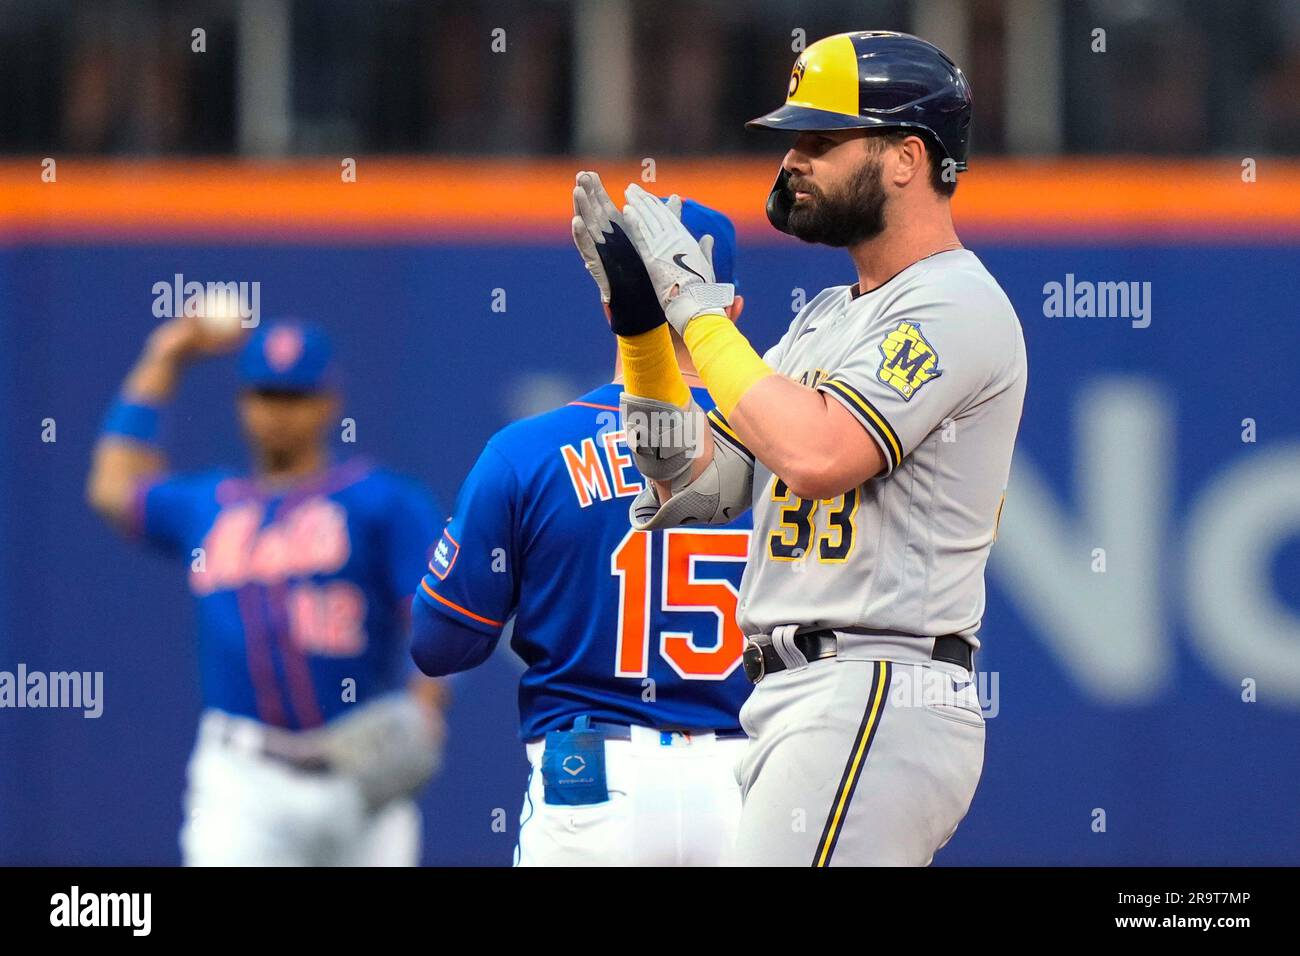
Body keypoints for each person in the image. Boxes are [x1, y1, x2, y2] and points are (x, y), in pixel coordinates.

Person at [578, 31, 1028, 866]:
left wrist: (697, 313)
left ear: (906, 158)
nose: (793, 160)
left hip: (877, 682)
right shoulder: (829, 315)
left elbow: (819, 456)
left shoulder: (956, 304)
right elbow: (698, 482)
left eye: (821, 141)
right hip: (806, 696)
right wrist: (645, 335)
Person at [410, 189, 753, 866]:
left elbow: (439, 645)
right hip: (751, 778)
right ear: (732, 309)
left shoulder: (528, 451)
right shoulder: (795, 449)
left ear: (609, 303)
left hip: (592, 777)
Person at [86, 316, 448, 866]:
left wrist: (424, 713)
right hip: (242, 780)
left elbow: (441, 624)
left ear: (329, 402)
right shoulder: (209, 505)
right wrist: (164, 358)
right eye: (265, 395)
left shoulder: (381, 502)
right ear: (242, 402)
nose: (278, 413)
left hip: (360, 774)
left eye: (295, 396)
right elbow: (113, 489)